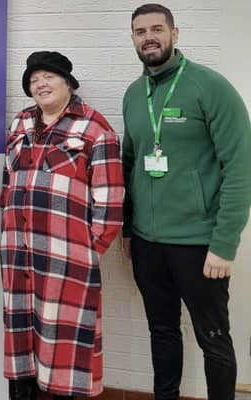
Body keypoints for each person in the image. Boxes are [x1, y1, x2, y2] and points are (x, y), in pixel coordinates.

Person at [122, 4, 251, 400]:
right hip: (148, 244)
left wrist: (224, 244)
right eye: (140, 31)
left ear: (175, 35)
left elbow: (241, 168)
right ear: (133, 39)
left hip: (200, 245)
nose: (149, 37)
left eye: (157, 29)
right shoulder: (133, 94)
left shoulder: (209, 87)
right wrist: (129, 229)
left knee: (213, 338)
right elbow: (128, 167)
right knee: (161, 331)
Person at [0, 51, 124, 399]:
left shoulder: (95, 128)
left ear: (68, 82)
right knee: (21, 335)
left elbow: (110, 200)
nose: (40, 83)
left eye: (48, 76)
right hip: (18, 253)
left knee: (67, 344)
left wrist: (88, 248)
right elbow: (7, 182)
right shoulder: (20, 123)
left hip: (67, 258)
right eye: (34, 79)